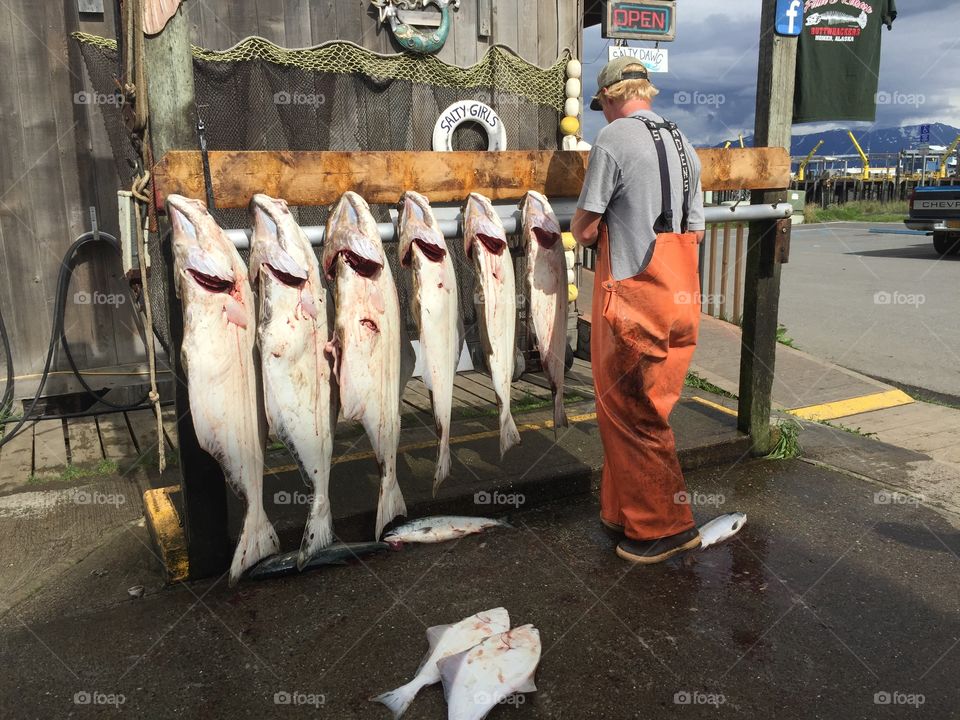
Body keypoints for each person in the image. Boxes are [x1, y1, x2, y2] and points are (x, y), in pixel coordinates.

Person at [571, 56, 706, 564]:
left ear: (609, 98)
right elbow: (693, 228)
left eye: (601, 106)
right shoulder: (685, 144)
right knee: (652, 409)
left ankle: (664, 528)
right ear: (645, 93)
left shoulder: (613, 139)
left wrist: (595, 230)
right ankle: (622, 511)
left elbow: (585, 227)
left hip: (636, 299)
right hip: (682, 296)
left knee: (631, 416)